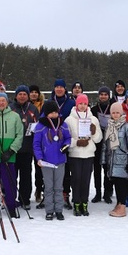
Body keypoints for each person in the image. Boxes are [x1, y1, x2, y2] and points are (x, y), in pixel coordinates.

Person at [33, 101, 71, 220]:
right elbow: (36, 144)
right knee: (48, 187)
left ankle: (59, 210)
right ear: (46, 113)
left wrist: (66, 145)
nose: (54, 115)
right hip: (46, 162)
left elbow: (68, 137)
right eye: (51, 113)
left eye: (55, 112)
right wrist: (39, 158)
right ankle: (49, 210)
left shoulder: (63, 124)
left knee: (59, 187)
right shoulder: (40, 125)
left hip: (60, 160)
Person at [65, 94, 102, 216]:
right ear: (76, 104)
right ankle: (76, 203)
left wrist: (94, 132)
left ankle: (84, 204)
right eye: (80, 103)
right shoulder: (69, 120)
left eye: (85, 104)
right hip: (75, 154)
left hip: (88, 154)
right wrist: (76, 142)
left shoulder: (93, 119)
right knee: (76, 179)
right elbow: (65, 139)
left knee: (85, 180)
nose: (82, 106)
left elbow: (98, 139)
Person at [101, 102, 128, 217]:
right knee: (115, 182)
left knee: (122, 183)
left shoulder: (126, 126)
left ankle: (123, 206)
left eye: (117, 112)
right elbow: (105, 146)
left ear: (121, 113)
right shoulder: (109, 126)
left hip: (122, 160)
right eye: (113, 113)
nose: (115, 115)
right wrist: (104, 161)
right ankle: (119, 203)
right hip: (111, 160)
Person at [9, 85, 39, 210]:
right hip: (12, 148)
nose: (22, 96)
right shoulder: (10, 108)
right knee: (12, 175)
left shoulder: (32, 108)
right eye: (20, 94)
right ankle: (11, 198)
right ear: (16, 96)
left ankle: (25, 199)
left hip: (27, 147)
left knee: (26, 176)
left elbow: (38, 125)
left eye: (24, 94)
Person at [48, 78, 76, 209]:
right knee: (48, 170)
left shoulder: (71, 102)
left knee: (66, 170)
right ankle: (47, 195)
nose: (59, 89)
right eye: (57, 86)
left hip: (65, 139)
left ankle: (65, 195)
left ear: (65, 89)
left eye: (61, 86)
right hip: (49, 141)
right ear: (54, 88)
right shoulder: (49, 102)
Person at [91, 86, 113, 203]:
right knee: (97, 169)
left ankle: (107, 193)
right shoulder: (94, 109)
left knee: (107, 169)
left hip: (109, 142)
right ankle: (98, 193)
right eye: (101, 94)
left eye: (105, 94)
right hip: (97, 143)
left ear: (108, 96)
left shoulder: (112, 109)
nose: (103, 96)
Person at [29, 84, 45, 204]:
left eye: (36, 92)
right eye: (32, 92)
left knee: (39, 168)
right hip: (26, 141)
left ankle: (39, 190)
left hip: (40, 140)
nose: (34, 94)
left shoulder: (43, 105)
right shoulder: (25, 105)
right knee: (26, 169)